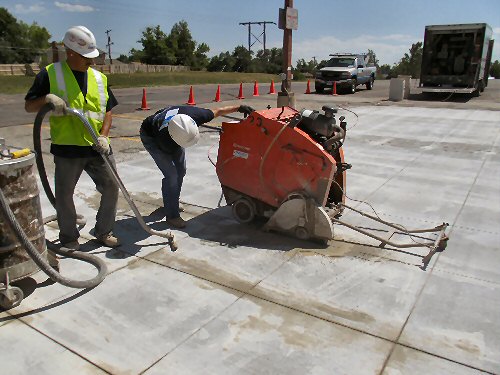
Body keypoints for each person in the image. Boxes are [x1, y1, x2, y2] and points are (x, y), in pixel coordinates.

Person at [25, 26, 120, 250]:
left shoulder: (99, 78)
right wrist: (47, 98)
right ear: (70, 53)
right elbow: (30, 105)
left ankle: (103, 230)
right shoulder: (50, 73)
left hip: (97, 146)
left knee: (112, 187)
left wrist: (104, 136)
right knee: (64, 195)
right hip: (67, 147)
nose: (91, 63)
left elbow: (108, 110)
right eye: (86, 58)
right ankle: (69, 238)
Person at [140, 104, 255, 228]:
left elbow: (218, 110)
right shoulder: (163, 138)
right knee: (172, 175)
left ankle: (171, 202)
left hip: (172, 127)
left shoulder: (196, 115)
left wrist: (239, 107)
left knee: (181, 170)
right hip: (150, 136)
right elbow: (170, 158)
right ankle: (172, 215)